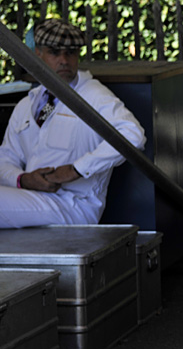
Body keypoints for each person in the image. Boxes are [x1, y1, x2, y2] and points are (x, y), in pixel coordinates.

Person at [0, 18, 146, 229]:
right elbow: (6, 157)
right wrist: (22, 179)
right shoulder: (28, 103)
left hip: (73, 205)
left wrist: (77, 169)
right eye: (54, 52)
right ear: (36, 54)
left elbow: (133, 135)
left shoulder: (93, 94)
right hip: (30, 197)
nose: (64, 60)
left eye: (71, 53)